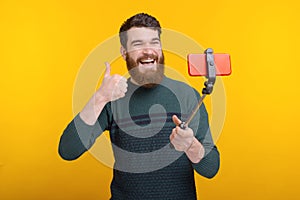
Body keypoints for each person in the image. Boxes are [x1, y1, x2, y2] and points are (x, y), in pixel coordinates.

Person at [59, 13, 220, 199]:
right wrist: (100, 97)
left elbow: (211, 168)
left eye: (154, 42)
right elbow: (68, 150)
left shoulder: (187, 95)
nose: (148, 50)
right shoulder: (113, 97)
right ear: (123, 52)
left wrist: (190, 145)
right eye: (138, 44)